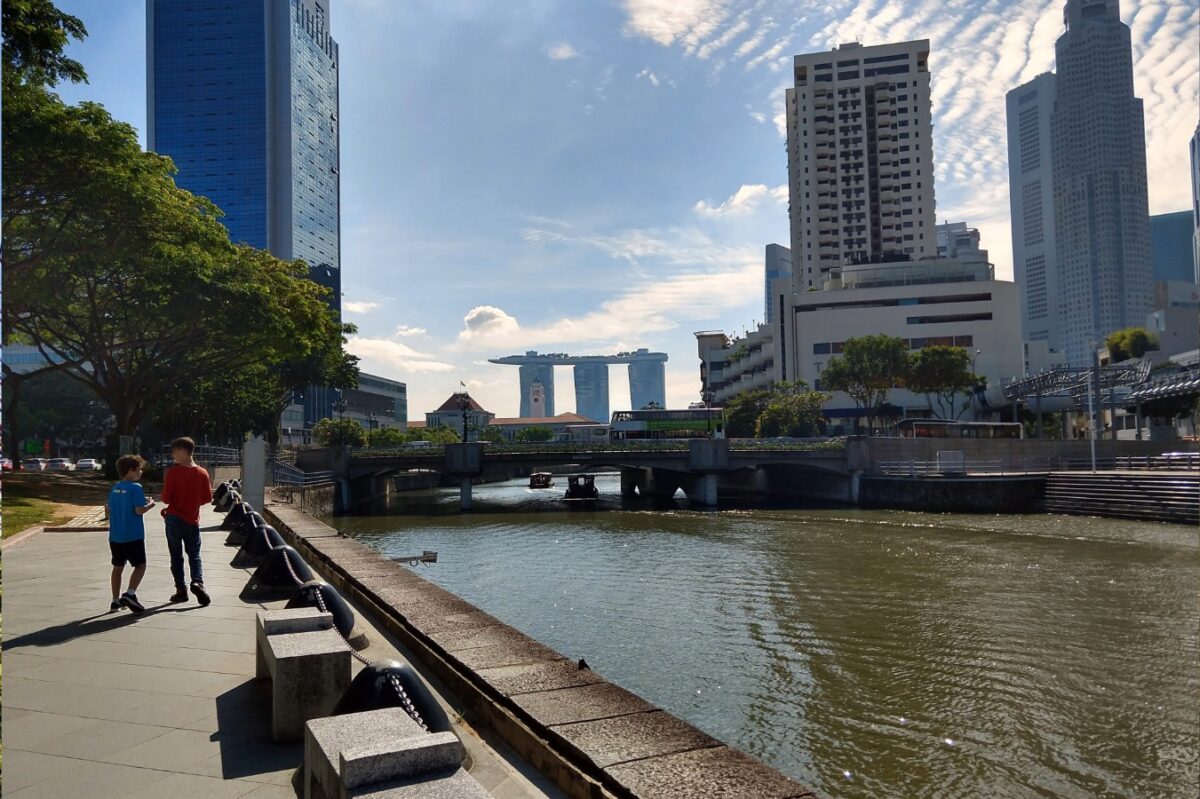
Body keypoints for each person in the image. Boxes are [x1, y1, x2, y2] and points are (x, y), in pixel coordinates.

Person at [160, 436, 213, 605]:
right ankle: (197, 582)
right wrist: (193, 502)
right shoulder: (202, 473)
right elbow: (207, 498)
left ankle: (180, 590)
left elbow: (166, 498)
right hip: (192, 520)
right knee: (194, 554)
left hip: (174, 518)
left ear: (183, 451)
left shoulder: (173, 472)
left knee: (176, 556)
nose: (173, 455)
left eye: (175, 452)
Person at [108, 454, 155, 614]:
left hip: (115, 536)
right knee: (140, 565)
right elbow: (138, 510)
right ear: (131, 470)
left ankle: (115, 601)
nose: (141, 472)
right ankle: (130, 593)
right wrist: (150, 505)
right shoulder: (136, 488)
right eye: (139, 469)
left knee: (117, 567)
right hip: (133, 535)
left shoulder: (114, 488)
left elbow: (109, 510)